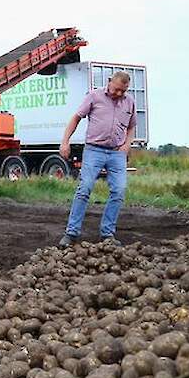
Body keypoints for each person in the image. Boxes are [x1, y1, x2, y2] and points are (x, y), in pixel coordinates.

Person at [57, 71, 136, 247]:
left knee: (119, 191)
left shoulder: (129, 101)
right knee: (84, 188)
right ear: (109, 82)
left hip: (117, 153)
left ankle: (107, 234)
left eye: (123, 91)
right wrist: (65, 142)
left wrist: (127, 145)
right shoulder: (94, 96)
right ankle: (71, 233)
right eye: (116, 89)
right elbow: (76, 118)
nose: (119, 94)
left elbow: (131, 127)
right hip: (94, 150)